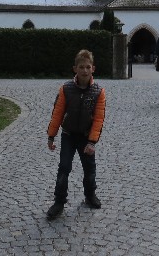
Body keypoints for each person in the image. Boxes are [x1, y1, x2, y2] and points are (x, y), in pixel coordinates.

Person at [46, 49, 106, 220]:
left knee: (89, 169)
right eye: (81, 67)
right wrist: (51, 135)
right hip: (68, 135)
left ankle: (90, 195)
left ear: (93, 68)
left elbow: (99, 119)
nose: (85, 71)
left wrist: (92, 142)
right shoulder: (66, 89)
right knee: (64, 167)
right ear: (75, 69)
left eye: (88, 67)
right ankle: (59, 201)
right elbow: (57, 113)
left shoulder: (98, 92)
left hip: (87, 137)